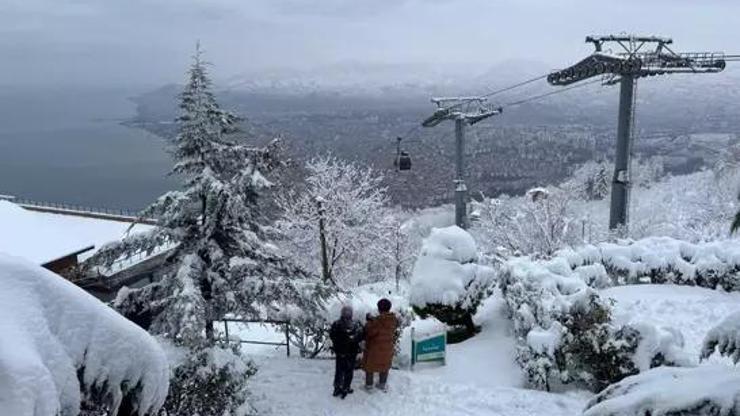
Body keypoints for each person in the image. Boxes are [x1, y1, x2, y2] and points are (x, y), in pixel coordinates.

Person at [362, 298, 398, 392]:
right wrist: (374, 320)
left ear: (379, 309)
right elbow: (383, 323)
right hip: (388, 348)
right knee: (384, 365)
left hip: (376, 349)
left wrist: (369, 321)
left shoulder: (377, 322)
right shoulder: (392, 320)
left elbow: (370, 331)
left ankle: (369, 385)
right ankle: (382, 383)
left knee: (370, 367)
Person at [329, 305, 364, 399]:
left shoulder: (336, 324)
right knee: (349, 370)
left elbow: (332, 335)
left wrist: (338, 344)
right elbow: (361, 336)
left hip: (340, 352)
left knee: (339, 370)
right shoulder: (356, 324)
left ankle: (337, 387)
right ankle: (346, 387)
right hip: (351, 352)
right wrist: (353, 340)